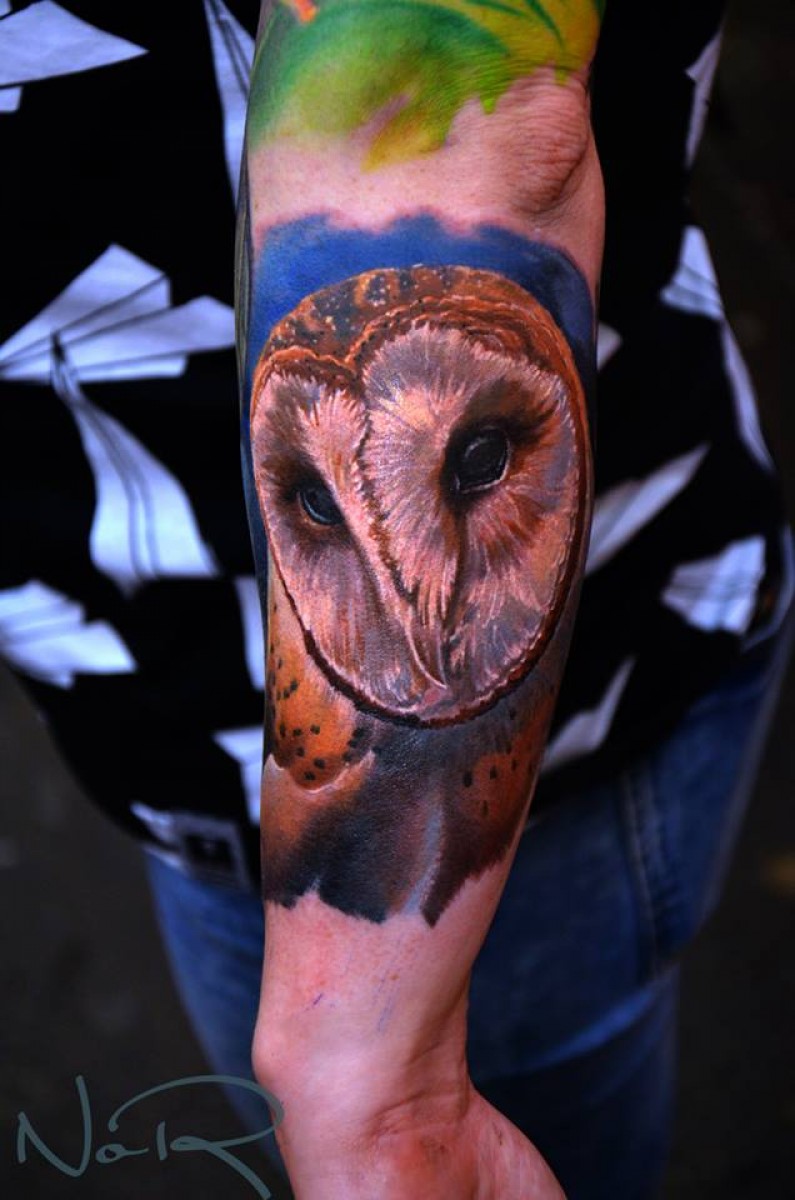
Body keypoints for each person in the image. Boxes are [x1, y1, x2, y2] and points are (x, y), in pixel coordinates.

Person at [0, 2, 790, 1197]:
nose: (416, 606)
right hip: (156, 712)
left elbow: (446, 96)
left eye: (478, 462)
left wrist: (378, 1063)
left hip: (530, 783)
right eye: (324, 506)